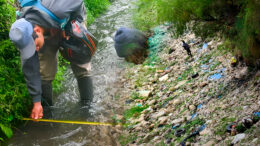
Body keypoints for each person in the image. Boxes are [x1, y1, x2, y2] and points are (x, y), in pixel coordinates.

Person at [9, 0, 94, 120]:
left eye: (34, 46)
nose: (35, 50)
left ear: (37, 31)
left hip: (68, 16)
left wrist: (71, 25)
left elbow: (78, 2)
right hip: (48, 26)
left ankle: (87, 108)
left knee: (81, 64)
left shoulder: (58, 8)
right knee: (43, 71)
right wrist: (36, 101)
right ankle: (47, 115)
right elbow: (30, 67)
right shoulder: (23, 32)